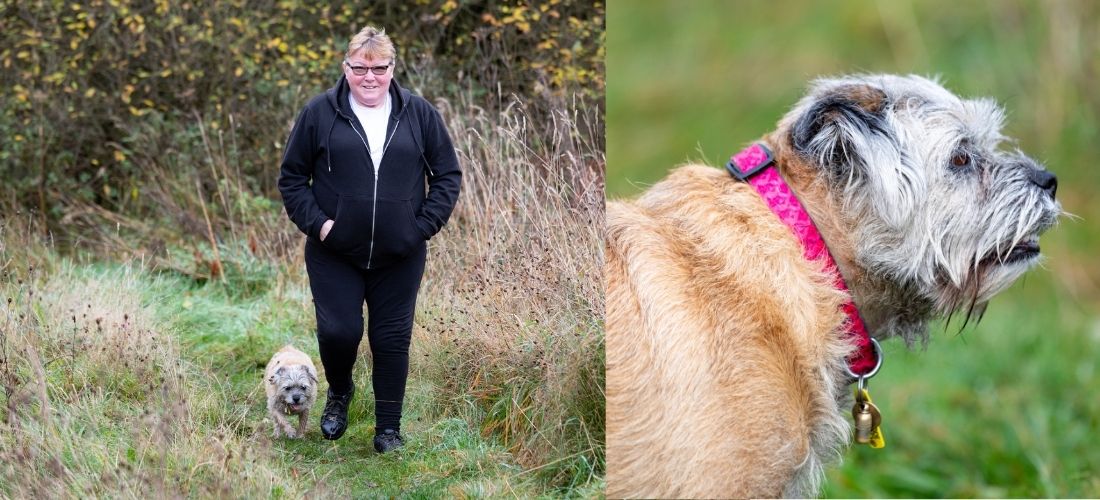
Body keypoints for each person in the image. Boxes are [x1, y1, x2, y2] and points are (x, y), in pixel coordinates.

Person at [277, 25, 461, 453]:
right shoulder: (320, 113)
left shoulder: (419, 114)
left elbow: (448, 176)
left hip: (400, 254)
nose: (370, 77)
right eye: (360, 68)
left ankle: (388, 430)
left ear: (392, 69)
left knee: (391, 340)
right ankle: (340, 392)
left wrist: (420, 228)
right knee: (340, 332)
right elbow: (292, 179)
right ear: (346, 68)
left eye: (379, 68)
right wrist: (322, 225)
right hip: (334, 252)